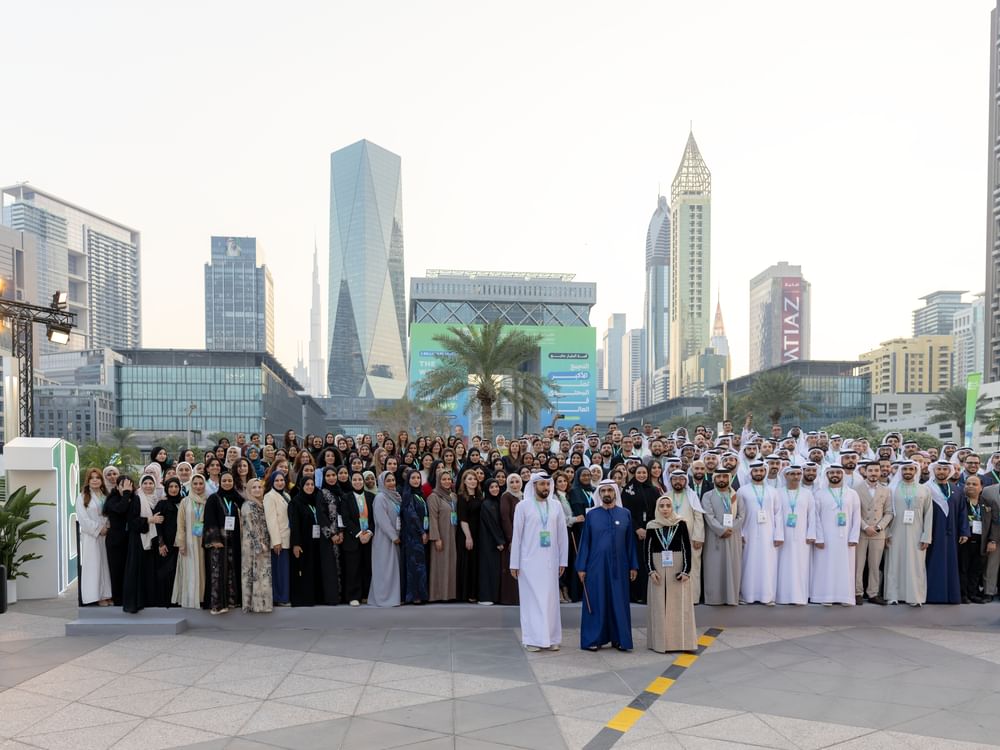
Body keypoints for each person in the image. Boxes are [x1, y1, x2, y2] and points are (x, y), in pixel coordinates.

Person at [576, 479, 638, 651]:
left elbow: (630, 542)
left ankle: (620, 639)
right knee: (597, 601)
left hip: (620, 565)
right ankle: (593, 639)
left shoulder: (625, 513)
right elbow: (585, 542)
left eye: (610, 490)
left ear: (615, 493)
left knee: (619, 601)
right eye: (603, 491)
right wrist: (581, 567)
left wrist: (633, 565)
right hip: (596, 566)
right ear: (599, 494)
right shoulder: (592, 515)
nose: (606, 494)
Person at [510, 473, 568, 652]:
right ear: (534, 486)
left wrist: (563, 560)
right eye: (542, 484)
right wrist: (514, 563)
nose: (545, 487)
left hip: (551, 562)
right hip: (528, 563)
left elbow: (562, 535)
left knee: (550, 601)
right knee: (532, 602)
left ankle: (552, 638)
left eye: (547, 484)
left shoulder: (556, 506)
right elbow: (517, 536)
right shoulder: (523, 506)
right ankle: (533, 639)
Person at [645, 494, 696, 652]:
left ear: (672, 508)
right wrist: (651, 570)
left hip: (677, 567)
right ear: (657, 508)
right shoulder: (652, 526)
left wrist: (686, 571)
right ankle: (660, 643)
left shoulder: (680, 524)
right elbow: (647, 551)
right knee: (659, 606)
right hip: (658, 569)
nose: (665, 509)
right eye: (662, 506)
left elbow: (687, 548)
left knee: (678, 605)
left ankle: (680, 643)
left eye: (668, 506)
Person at [810, 465, 861, 606]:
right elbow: (816, 518)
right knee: (826, 567)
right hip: (826, 539)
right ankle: (826, 597)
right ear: (827, 475)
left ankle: (845, 597)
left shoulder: (852, 494)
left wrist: (854, 537)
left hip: (846, 538)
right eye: (831, 472)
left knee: (845, 568)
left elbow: (857, 516)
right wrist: (819, 538)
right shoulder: (819, 494)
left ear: (842, 474)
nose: (835, 475)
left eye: (838, 472)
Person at [884, 461, 934, 606]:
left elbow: (928, 514)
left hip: (917, 533)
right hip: (894, 532)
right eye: (905, 469)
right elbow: (886, 512)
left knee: (916, 565)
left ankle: (915, 597)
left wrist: (926, 536)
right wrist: (886, 533)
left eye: (911, 469)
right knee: (894, 563)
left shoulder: (924, 490)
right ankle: (893, 595)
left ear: (915, 471)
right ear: (900, 471)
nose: (908, 471)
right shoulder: (891, 489)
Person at [737, 461, 783, 605]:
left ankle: (767, 596)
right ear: (750, 473)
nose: (758, 473)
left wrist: (778, 535)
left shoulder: (773, 491)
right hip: (748, 533)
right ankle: (747, 596)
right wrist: (740, 533)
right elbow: (738, 514)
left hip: (769, 534)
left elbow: (778, 514)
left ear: (765, 472)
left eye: (761, 471)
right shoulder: (742, 491)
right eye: (756, 471)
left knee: (768, 565)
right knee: (748, 564)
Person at [925, 461, 970, 604]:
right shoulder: (926, 488)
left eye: (945, 469)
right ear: (934, 470)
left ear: (949, 471)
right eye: (939, 469)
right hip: (932, 533)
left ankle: (951, 595)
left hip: (952, 534)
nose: (941, 472)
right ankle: (933, 595)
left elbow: (962, 512)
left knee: (951, 563)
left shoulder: (956, 490)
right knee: (933, 562)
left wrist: (964, 532)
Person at [701, 468, 744, 605]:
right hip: (714, 537)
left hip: (733, 537)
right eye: (718, 477)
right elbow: (708, 516)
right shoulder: (707, 496)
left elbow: (741, 516)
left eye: (725, 477)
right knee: (714, 568)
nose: (722, 479)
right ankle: (714, 599)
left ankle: (731, 598)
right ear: (714, 478)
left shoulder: (736, 496)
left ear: (729, 479)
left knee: (732, 567)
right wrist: (721, 530)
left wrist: (731, 529)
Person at [122, 475, 164, 613]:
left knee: (150, 572)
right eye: (145, 483)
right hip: (138, 541)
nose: (148, 486)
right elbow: (132, 521)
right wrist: (149, 520)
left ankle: (150, 600)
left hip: (152, 541)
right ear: (141, 485)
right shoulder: (137, 499)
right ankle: (137, 602)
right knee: (138, 571)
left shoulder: (157, 499)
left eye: (151, 483)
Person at [775, 466, 815, 606]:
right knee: (783, 566)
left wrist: (811, 534)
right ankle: (782, 596)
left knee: (801, 566)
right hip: (783, 537)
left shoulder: (807, 494)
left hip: (802, 537)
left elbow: (812, 515)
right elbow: (775, 515)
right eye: (792, 474)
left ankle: (799, 596)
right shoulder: (778, 493)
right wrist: (777, 534)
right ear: (785, 476)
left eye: (798, 474)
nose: (796, 476)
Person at [203, 471, 242, 614]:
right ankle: (218, 604)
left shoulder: (237, 499)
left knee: (232, 570)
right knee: (218, 572)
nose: (227, 483)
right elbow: (209, 519)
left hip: (235, 542)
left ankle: (232, 601)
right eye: (224, 481)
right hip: (219, 542)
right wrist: (214, 540)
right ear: (220, 482)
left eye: (230, 481)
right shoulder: (213, 498)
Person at [664, 470, 705, 604]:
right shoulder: (666, 496)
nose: (678, 482)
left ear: (686, 481)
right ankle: (674, 599)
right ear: (670, 481)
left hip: (691, 538)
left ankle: (692, 598)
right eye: (675, 479)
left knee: (692, 568)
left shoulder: (692, 496)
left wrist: (698, 537)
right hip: (670, 539)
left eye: (681, 479)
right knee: (672, 567)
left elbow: (699, 517)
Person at [855, 461, 892, 605]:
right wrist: (865, 527)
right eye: (870, 470)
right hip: (861, 531)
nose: (873, 473)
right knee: (858, 565)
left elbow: (889, 512)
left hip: (878, 533)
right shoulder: (856, 489)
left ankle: (873, 593)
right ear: (865, 472)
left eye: (876, 470)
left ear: (880, 472)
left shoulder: (886, 490)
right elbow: (854, 512)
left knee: (875, 565)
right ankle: (857, 592)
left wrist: (879, 527)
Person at [621, 464, 659, 604]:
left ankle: (648, 594)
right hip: (633, 532)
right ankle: (636, 594)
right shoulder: (628, 490)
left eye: (644, 473)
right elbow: (625, 512)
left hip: (651, 531)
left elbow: (658, 511)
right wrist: (637, 528)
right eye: (639, 473)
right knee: (636, 561)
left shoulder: (654, 490)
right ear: (634, 474)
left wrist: (650, 528)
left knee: (648, 561)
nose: (642, 475)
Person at [959, 475, 999, 603]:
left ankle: (973, 593)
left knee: (976, 569)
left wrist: (992, 540)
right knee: (963, 568)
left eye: (974, 484)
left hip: (982, 541)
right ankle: (963, 594)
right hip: (964, 541)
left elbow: (995, 523)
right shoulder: (960, 502)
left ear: (981, 487)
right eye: (968, 484)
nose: (970, 486)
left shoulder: (988, 503)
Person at [77, 468, 112, 606]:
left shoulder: (105, 495)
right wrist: (98, 528)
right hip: (92, 536)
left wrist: (107, 527)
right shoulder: (82, 497)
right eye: (92, 478)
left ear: (101, 480)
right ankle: (95, 596)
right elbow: (83, 518)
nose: (95, 480)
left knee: (105, 565)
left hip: (106, 535)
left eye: (98, 477)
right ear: (88, 480)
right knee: (94, 566)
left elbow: (109, 514)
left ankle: (106, 594)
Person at [173, 473, 208, 609]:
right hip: (189, 542)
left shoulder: (209, 500)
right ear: (191, 485)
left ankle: (202, 598)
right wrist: (181, 543)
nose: (198, 486)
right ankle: (190, 598)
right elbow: (180, 524)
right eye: (195, 484)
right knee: (190, 569)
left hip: (204, 542)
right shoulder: (185, 502)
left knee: (203, 570)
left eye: (201, 483)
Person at [340, 471, 375, 606]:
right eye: (354, 479)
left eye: (360, 479)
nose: (357, 482)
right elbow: (346, 518)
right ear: (351, 481)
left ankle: (366, 594)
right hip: (353, 538)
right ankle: (353, 596)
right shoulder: (346, 498)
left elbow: (375, 518)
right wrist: (359, 534)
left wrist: (369, 533)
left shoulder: (371, 497)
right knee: (353, 568)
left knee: (367, 567)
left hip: (369, 538)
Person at [288, 476, 323, 607]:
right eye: (307, 484)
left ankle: (316, 597)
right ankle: (304, 599)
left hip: (316, 541)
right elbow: (294, 524)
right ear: (301, 486)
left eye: (312, 484)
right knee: (304, 569)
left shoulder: (315, 501)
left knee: (315, 569)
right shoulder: (296, 502)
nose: (310, 487)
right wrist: (296, 544)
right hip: (303, 543)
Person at [369, 471, 401, 607]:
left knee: (393, 570)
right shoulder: (380, 497)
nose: (391, 483)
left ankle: (394, 596)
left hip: (396, 538)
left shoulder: (396, 496)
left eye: (393, 480)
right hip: (385, 539)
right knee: (385, 569)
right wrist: (393, 536)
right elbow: (382, 520)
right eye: (388, 481)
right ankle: (383, 598)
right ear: (382, 483)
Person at [240, 478, 273, 613]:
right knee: (253, 573)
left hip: (263, 543)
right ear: (249, 490)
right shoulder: (248, 505)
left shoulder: (261, 504)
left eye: (259, 487)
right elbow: (251, 526)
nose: (257, 490)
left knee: (261, 574)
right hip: (253, 545)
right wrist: (259, 544)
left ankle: (262, 603)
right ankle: (254, 604)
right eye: (254, 487)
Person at [400, 468, 430, 605]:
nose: (416, 480)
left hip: (421, 534)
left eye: (418, 478)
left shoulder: (420, 495)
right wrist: (422, 532)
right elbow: (411, 516)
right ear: (408, 480)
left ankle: (422, 594)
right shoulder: (408, 495)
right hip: (412, 536)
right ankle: (414, 595)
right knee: (414, 566)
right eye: (413, 478)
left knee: (421, 565)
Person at [428, 470, 458, 602]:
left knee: (451, 564)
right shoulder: (434, 497)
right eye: (443, 479)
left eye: (449, 479)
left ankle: (450, 594)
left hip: (453, 534)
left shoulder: (453, 496)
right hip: (441, 535)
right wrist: (436, 538)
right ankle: (438, 594)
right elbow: (433, 518)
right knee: (440, 564)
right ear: (438, 481)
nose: (447, 482)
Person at [152, 477, 183, 607]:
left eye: (176, 487)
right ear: (166, 488)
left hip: (180, 543)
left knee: (178, 571)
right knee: (165, 571)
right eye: (171, 487)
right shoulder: (162, 504)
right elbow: (157, 525)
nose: (173, 489)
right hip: (166, 544)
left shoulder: (184, 502)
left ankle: (178, 600)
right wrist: (161, 543)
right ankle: (165, 601)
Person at [264, 472, 292, 606]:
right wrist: (276, 541)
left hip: (288, 537)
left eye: (282, 480)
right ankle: (280, 598)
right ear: (272, 482)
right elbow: (271, 520)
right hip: (279, 540)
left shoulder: (286, 495)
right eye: (277, 481)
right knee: (280, 571)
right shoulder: (269, 496)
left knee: (285, 571)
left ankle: (284, 596)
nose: (280, 483)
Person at [317, 467, 344, 606]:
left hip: (340, 535)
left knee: (341, 565)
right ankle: (332, 597)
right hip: (328, 537)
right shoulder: (321, 493)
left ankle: (341, 596)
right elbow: (321, 515)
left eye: (334, 475)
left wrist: (341, 532)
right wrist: (331, 534)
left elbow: (342, 514)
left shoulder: (339, 492)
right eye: (328, 476)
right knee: (330, 566)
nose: (332, 478)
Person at [457, 471, 484, 603]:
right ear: (464, 481)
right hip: (467, 534)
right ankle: (468, 594)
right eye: (470, 479)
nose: (473, 481)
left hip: (479, 534)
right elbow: (463, 519)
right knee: (468, 563)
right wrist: (468, 537)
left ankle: (475, 592)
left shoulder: (479, 496)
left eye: (474, 479)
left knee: (476, 564)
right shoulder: (462, 497)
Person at [478, 478, 505, 606]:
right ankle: (486, 596)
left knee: (495, 569)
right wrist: (499, 541)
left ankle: (495, 596)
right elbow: (491, 524)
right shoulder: (486, 504)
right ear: (487, 489)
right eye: (492, 487)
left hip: (496, 540)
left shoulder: (498, 501)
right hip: (489, 541)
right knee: (488, 568)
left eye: (496, 486)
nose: (495, 489)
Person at [499, 474, 523, 605]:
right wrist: (512, 538)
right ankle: (511, 598)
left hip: (525, 538)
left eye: (517, 481)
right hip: (513, 538)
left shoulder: (524, 496)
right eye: (512, 482)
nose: (514, 485)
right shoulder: (506, 496)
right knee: (512, 568)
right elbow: (505, 518)